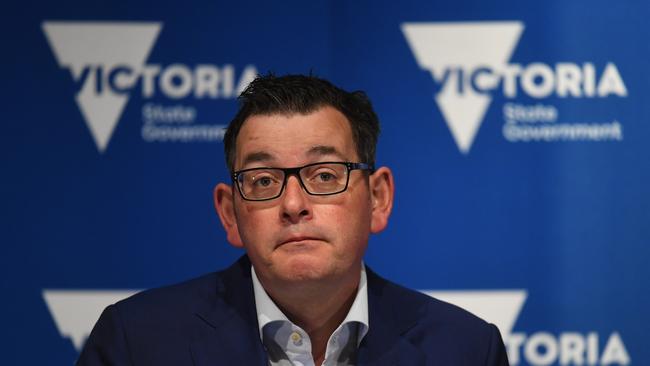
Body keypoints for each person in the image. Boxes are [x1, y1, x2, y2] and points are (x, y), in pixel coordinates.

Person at [77, 74, 509, 365]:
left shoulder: (466, 348)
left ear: (378, 198)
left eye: (324, 175)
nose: (294, 203)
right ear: (230, 213)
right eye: (264, 180)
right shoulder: (137, 343)